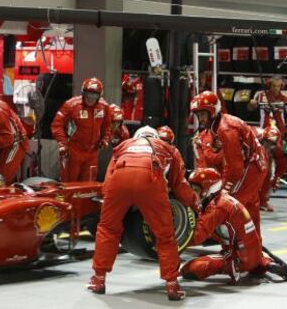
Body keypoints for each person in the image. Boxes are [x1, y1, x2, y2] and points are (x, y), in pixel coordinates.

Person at [88, 126, 199, 301]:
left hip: (120, 180)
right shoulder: (169, 148)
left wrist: (118, 204)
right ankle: (172, 285)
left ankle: (98, 280)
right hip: (150, 180)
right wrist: (194, 203)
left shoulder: (123, 146)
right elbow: (180, 185)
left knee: (107, 229)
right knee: (165, 234)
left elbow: (107, 183)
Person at [181, 168, 287, 282]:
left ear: (209, 189)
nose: (192, 193)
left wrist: (171, 239)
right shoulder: (222, 199)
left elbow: (197, 237)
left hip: (238, 257)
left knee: (189, 269)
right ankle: (263, 262)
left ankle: (251, 264)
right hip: (252, 250)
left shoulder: (216, 208)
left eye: (195, 189)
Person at [190, 90, 268, 237]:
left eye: (202, 114)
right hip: (255, 163)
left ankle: (235, 247)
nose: (200, 119)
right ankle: (254, 251)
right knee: (250, 206)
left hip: (251, 165)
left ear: (212, 112)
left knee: (230, 205)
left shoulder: (225, 129)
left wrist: (224, 190)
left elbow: (235, 168)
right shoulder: (217, 126)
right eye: (198, 115)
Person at [51, 77, 111, 182]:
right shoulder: (71, 105)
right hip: (73, 150)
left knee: (88, 185)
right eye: (88, 94)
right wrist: (62, 143)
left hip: (92, 152)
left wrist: (104, 140)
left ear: (99, 96)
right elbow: (57, 124)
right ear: (83, 93)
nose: (91, 98)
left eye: (94, 95)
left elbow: (107, 126)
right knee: (70, 183)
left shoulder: (104, 107)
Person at [258, 126, 287, 212]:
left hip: (267, 156)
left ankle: (262, 201)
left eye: (271, 144)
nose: (268, 145)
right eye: (267, 142)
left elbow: (282, 165)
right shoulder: (252, 135)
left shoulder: (279, 148)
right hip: (249, 151)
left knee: (268, 173)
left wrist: (276, 180)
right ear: (263, 138)